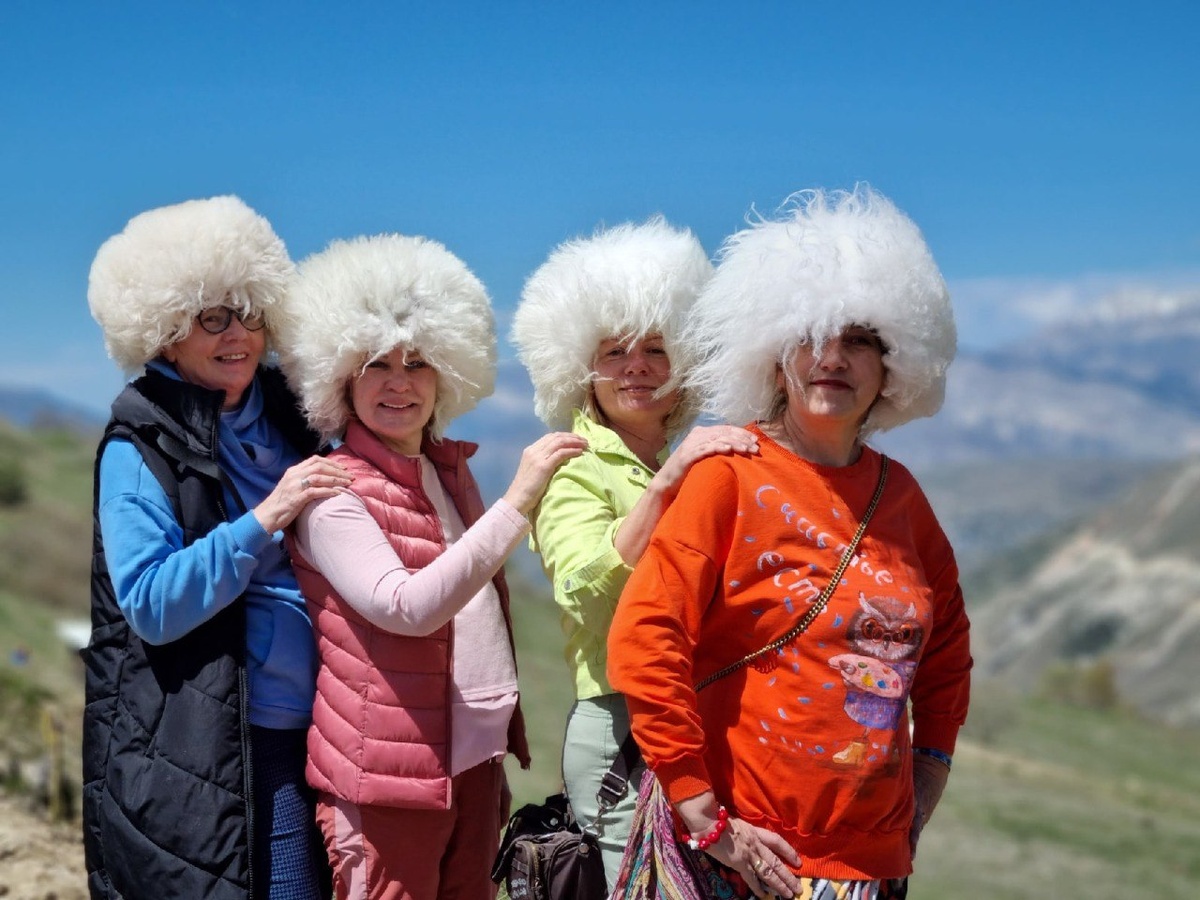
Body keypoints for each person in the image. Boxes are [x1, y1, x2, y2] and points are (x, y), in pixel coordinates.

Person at [607, 187, 973, 900]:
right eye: (810, 337)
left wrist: (930, 766)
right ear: (775, 361)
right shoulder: (727, 476)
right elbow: (646, 640)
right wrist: (701, 811)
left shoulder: (902, 498)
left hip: (868, 865)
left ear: (893, 368)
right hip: (735, 858)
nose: (832, 358)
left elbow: (949, 647)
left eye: (860, 340)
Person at [276, 233, 585, 900]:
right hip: (384, 778)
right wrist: (520, 499)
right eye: (375, 365)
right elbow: (406, 608)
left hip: (471, 761)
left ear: (446, 372)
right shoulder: (332, 491)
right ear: (340, 377)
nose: (399, 382)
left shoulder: (447, 470)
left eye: (417, 362)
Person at [83, 196, 347, 900]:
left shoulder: (303, 410)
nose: (240, 336)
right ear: (165, 331)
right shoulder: (139, 443)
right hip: (235, 741)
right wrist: (266, 518)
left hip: (343, 725)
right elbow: (150, 604)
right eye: (213, 318)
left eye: (252, 313)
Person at [510, 218, 759, 885]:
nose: (636, 366)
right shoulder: (575, 465)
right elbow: (588, 594)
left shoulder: (691, 459)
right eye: (615, 351)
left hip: (703, 720)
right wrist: (672, 485)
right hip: (620, 727)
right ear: (580, 369)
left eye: (655, 347)